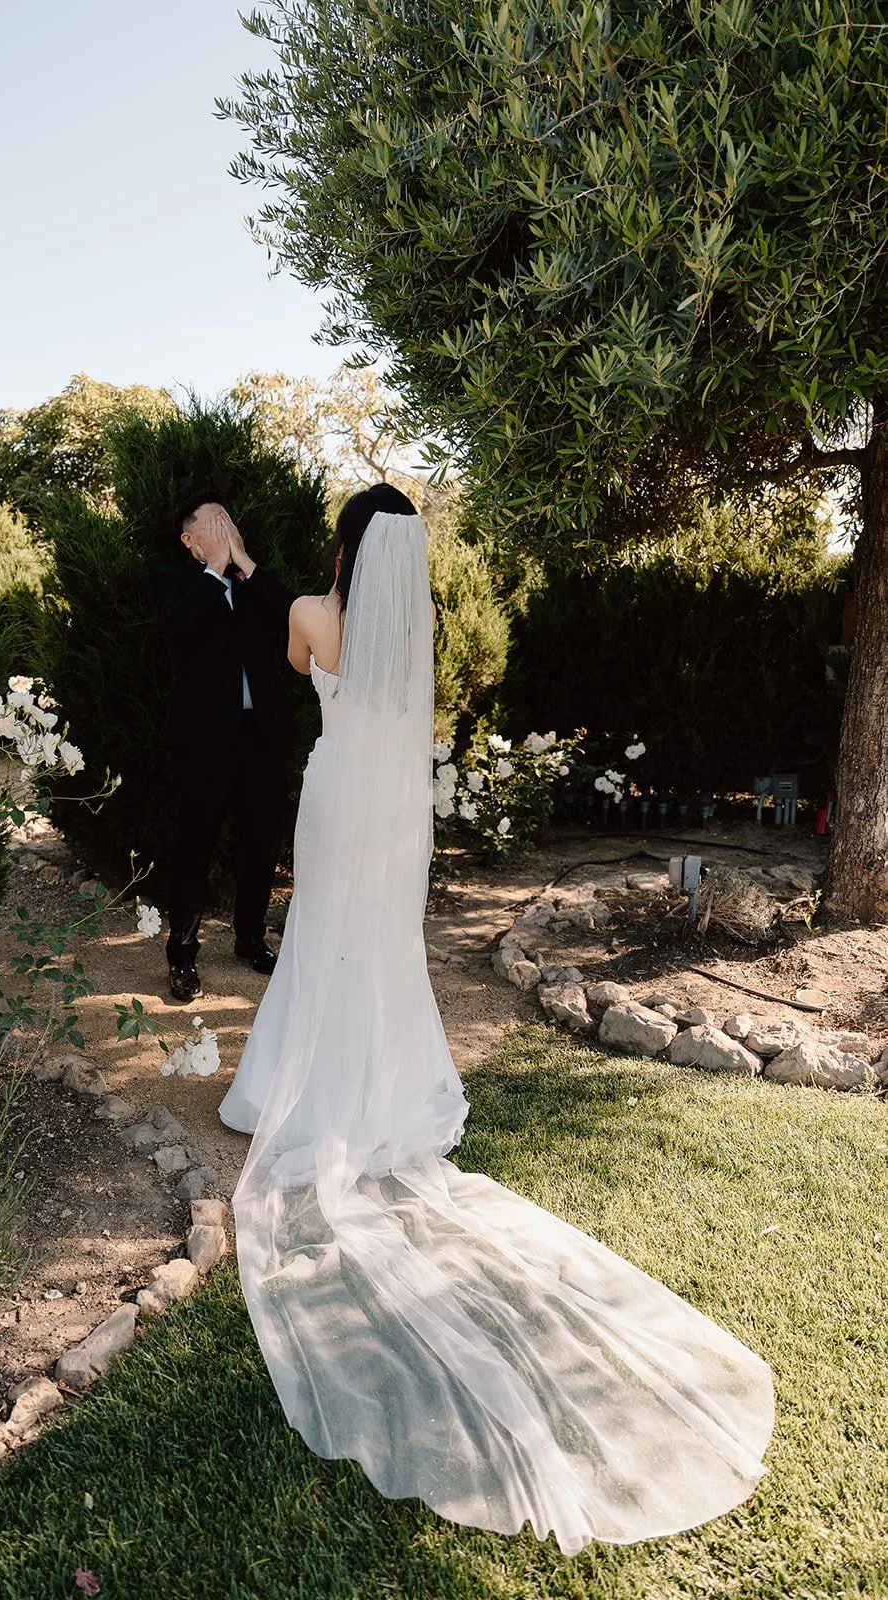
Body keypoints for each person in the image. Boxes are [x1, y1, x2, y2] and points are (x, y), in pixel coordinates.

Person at [219, 482, 774, 1551]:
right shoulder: (409, 632)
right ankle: (376, 1090)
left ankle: (297, 1087)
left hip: (333, 797)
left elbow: (298, 672)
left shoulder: (306, 615)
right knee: (376, 942)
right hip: (386, 813)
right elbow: (406, 714)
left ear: (341, 546)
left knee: (324, 936)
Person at [155, 494, 294, 1003]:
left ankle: (250, 938)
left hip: (261, 735)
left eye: (227, 519)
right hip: (203, 740)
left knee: (262, 840)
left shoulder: (254, 581)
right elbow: (180, 625)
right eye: (212, 523)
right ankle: (183, 954)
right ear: (189, 539)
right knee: (195, 844)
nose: (224, 527)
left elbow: (290, 615)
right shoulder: (176, 581)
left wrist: (243, 563)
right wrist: (214, 570)